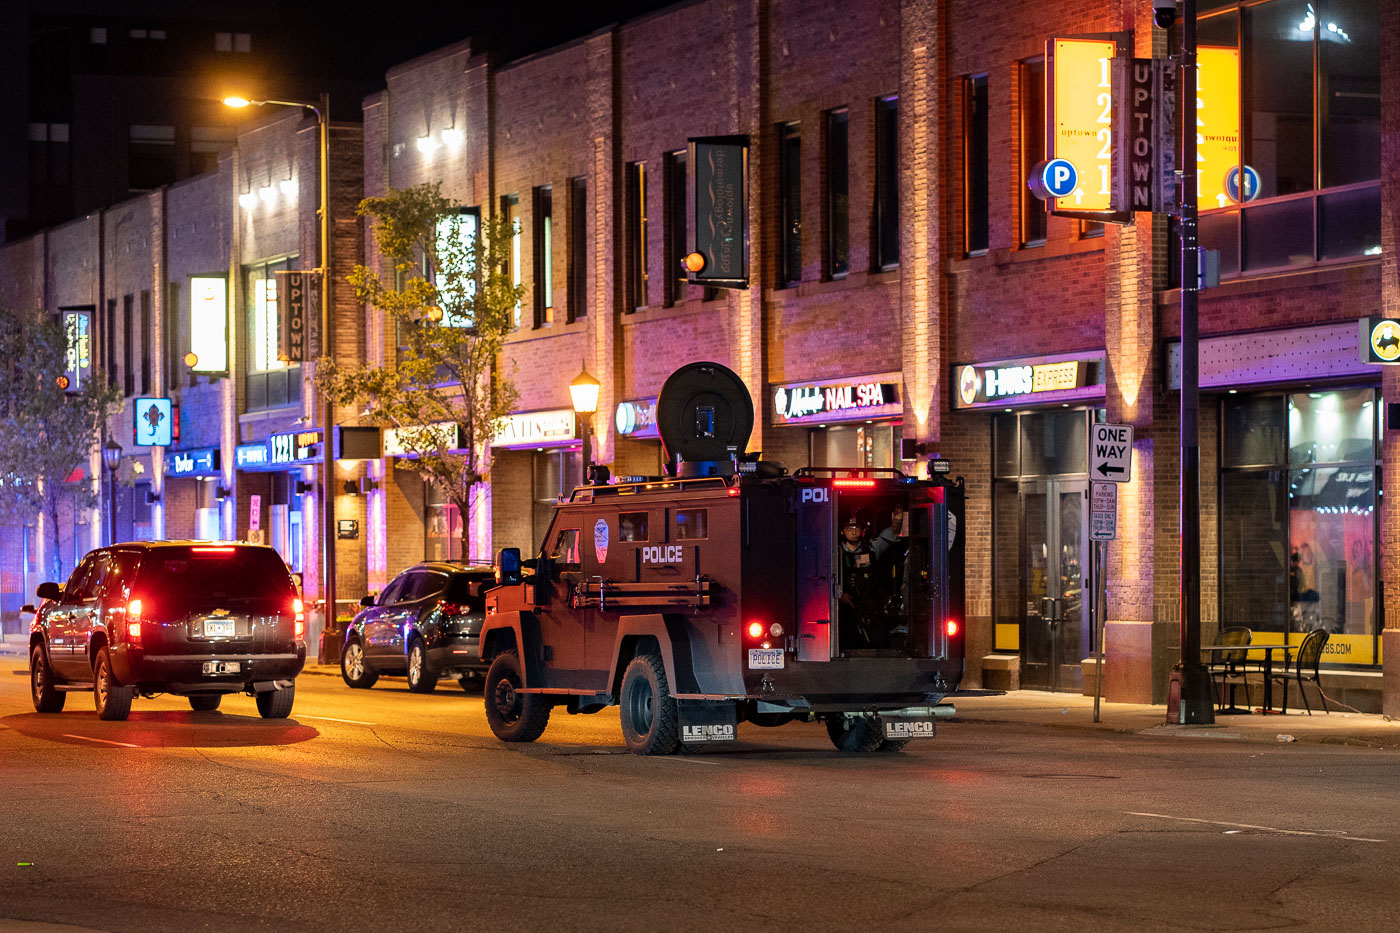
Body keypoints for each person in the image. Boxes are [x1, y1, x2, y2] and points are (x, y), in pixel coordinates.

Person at [838, 516, 881, 648]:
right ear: (842, 531)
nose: (854, 532)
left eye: (857, 528)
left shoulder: (871, 548)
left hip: (869, 604)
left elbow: (891, 534)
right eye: (849, 528)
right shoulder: (835, 552)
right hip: (846, 605)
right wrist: (840, 595)